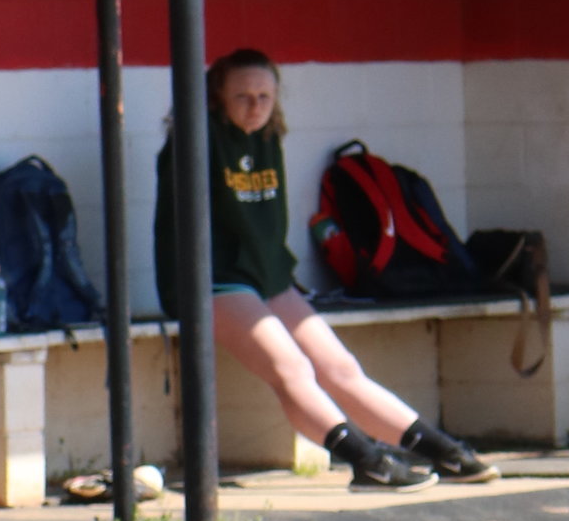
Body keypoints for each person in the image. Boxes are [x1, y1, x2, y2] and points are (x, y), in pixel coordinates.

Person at [152, 47, 491, 491]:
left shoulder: (267, 137)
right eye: (241, 97)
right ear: (216, 98)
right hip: (216, 277)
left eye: (264, 97)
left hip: (266, 273)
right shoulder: (196, 139)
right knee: (291, 368)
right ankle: (365, 460)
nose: (255, 107)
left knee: (340, 366)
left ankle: (439, 450)